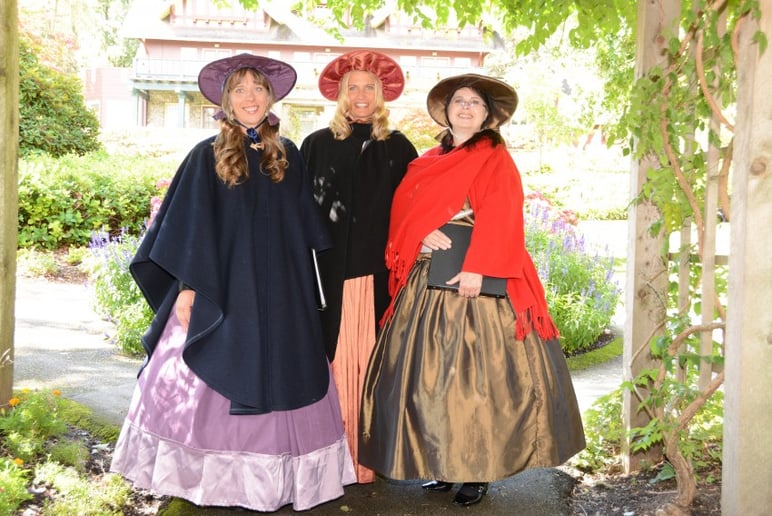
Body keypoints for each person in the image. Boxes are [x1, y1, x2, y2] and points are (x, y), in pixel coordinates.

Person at [109, 53, 356, 512]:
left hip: (282, 295)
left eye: (258, 89)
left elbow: (304, 231)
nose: (250, 97)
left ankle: (273, 481)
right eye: (240, 90)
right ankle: (210, 481)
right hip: (222, 290)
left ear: (271, 96)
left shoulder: (288, 155)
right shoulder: (206, 155)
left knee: (289, 373)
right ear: (226, 99)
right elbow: (188, 228)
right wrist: (186, 285)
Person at [359, 73, 586, 506]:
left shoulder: (494, 159)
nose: (465, 108)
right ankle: (443, 464)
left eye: (474, 104)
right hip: (427, 283)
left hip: (474, 283)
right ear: (446, 112)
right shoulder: (425, 161)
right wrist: (421, 233)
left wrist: (478, 269)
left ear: (487, 116)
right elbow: (403, 213)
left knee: (473, 382)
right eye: (458, 102)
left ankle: (476, 469)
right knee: (429, 381)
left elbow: (503, 214)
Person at [300, 50, 418, 484]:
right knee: (329, 359)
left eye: (370, 87)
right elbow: (298, 211)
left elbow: (415, 208)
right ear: (341, 94)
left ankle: (368, 456)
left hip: (378, 276)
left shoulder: (398, 146)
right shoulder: (314, 145)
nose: (362, 95)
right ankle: (326, 455)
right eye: (354, 87)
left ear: (382, 94)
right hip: (328, 274)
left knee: (374, 364)